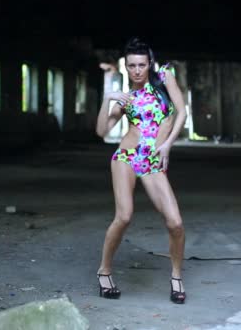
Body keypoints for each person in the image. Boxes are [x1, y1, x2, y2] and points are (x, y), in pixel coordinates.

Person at [95, 37, 187, 304]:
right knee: (124, 216)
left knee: (176, 223)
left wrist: (168, 145)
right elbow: (102, 132)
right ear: (126, 66)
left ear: (150, 64)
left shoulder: (165, 78)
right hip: (126, 157)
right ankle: (105, 270)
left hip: (153, 161)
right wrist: (108, 99)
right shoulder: (127, 99)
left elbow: (181, 113)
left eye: (141, 65)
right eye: (132, 65)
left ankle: (176, 276)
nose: (137, 70)